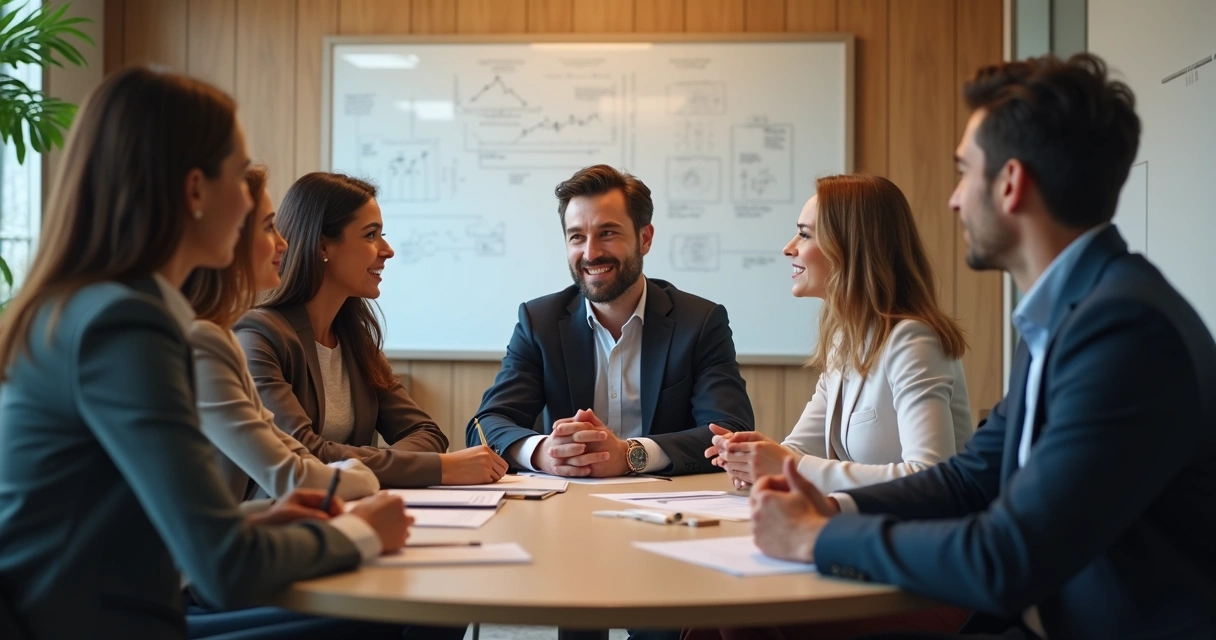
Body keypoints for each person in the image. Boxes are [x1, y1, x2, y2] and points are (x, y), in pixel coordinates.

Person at [749, 53, 1216, 639]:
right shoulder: (1067, 315)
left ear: (1011, 184)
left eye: (964, 172)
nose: (953, 200)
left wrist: (820, 537)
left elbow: (1009, 555)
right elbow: (970, 478)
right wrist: (834, 507)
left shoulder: (1123, 330)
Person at [0, 66, 407, 640]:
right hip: (103, 622)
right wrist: (361, 534)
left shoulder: (97, 306)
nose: (250, 205)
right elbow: (223, 567)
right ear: (195, 190)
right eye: (241, 178)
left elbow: (135, 520)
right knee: (390, 618)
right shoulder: (126, 323)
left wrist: (259, 518)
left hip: (109, 602)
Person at [470, 164, 754, 478]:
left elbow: (731, 431)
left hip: (665, 498)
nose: (590, 253)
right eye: (577, 237)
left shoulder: (699, 322)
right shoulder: (540, 322)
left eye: (607, 233)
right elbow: (485, 425)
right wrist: (543, 453)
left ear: (645, 238)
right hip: (566, 499)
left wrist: (631, 455)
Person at [236, 172, 507, 487]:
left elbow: (428, 433)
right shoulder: (258, 337)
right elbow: (302, 454)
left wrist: (381, 466)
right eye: (370, 235)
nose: (387, 250)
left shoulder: (355, 340)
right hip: (280, 513)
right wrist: (436, 468)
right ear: (323, 246)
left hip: (351, 506)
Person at [707, 174, 973, 493]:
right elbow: (799, 450)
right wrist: (753, 460)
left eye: (804, 235)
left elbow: (930, 477)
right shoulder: (844, 341)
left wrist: (786, 466)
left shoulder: (913, 340)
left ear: (850, 247)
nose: (788, 248)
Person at [183, 165, 379, 502]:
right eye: (268, 227)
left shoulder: (222, 337)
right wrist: (363, 477)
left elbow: (294, 458)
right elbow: (291, 474)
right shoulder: (218, 339)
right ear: (228, 236)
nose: (284, 242)